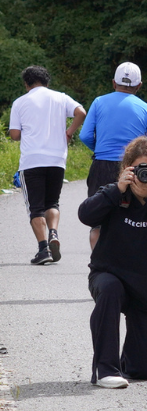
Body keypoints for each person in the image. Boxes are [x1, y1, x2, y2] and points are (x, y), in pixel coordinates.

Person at [78, 136, 147, 389]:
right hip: (109, 276)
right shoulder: (114, 193)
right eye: (142, 167)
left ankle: (126, 362)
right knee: (110, 289)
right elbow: (85, 214)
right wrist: (117, 190)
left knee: (144, 371)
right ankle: (106, 369)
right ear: (128, 168)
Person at [9, 65, 86, 265]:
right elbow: (81, 112)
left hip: (32, 161)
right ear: (47, 81)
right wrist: (69, 132)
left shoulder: (20, 103)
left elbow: (15, 134)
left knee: (35, 208)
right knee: (52, 203)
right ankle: (53, 232)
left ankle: (43, 250)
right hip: (57, 160)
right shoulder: (61, 97)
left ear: (26, 84)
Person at [79, 62, 147, 249]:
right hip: (134, 169)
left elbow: (84, 135)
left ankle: (98, 267)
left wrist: (100, 149)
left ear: (114, 83)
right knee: (133, 219)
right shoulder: (145, 108)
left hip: (102, 166)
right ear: (139, 86)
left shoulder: (99, 102)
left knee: (98, 221)